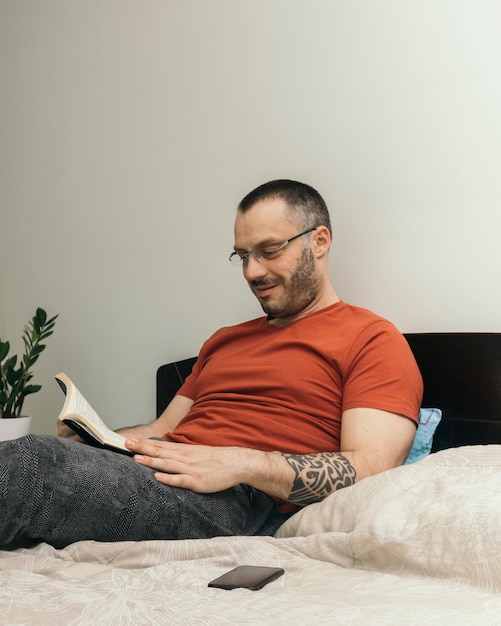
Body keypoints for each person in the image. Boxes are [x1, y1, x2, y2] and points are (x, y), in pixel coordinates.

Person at [0, 179, 422, 550]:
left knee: (32, 466)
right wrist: (96, 438)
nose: (253, 271)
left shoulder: (372, 338)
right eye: (242, 256)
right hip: (168, 470)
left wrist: (240, 462)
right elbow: (159, 431)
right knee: (35, 456)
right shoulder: (225, 339)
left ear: (320, 240)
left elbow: (373, 467)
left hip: (241, 497)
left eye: (269, 250)